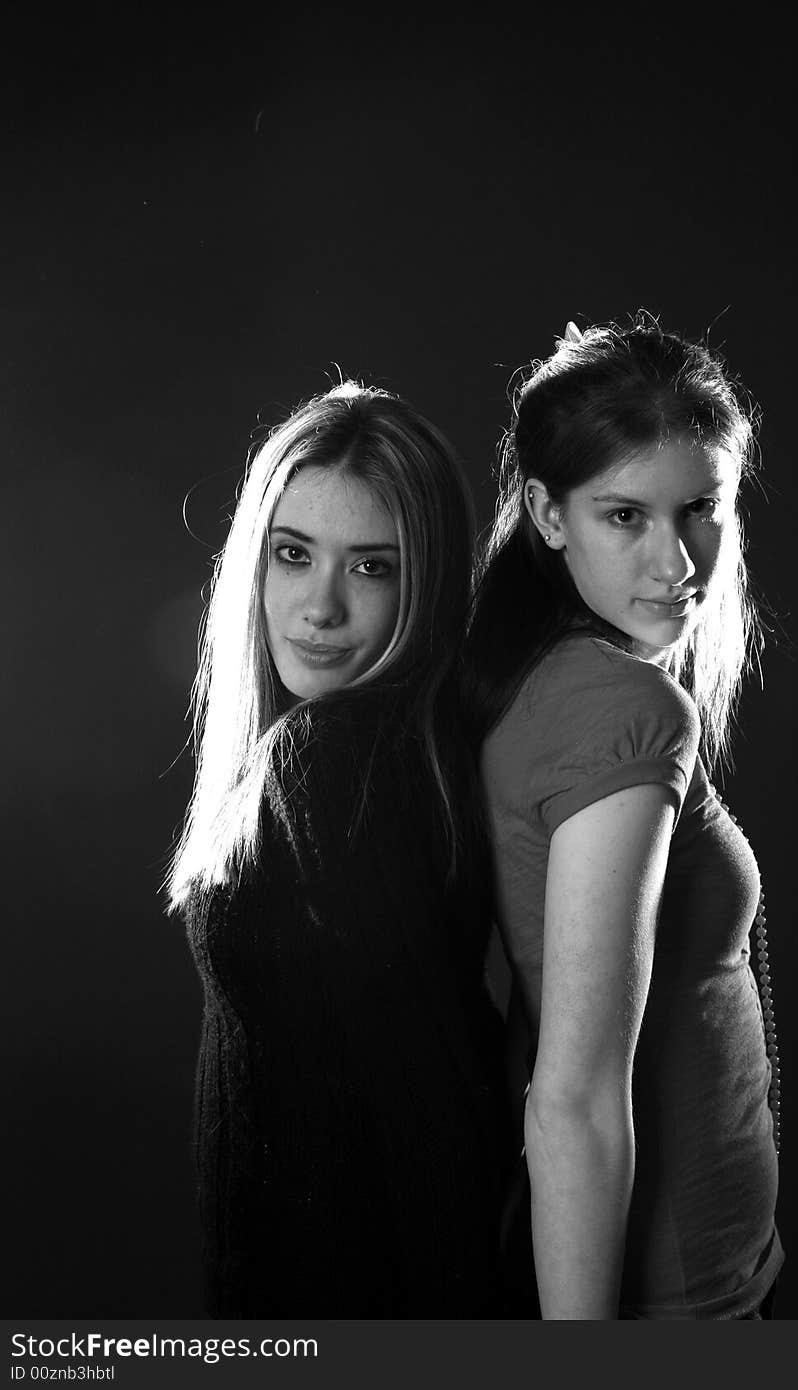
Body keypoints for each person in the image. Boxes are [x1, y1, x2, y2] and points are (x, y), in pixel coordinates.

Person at [167, 381, 511, 1317]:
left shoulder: (333, 757)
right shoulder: (390, 752)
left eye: (370, 568)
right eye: (293, 555)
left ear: (425, 585)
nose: (317, 608)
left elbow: (435, 1111)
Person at [464, 316, 783, 1319]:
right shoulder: (624, 709)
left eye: (699, 508)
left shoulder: (540, 673)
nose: (675, 560)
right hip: (680, 1299)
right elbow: (571, 1099)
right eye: (623, 517)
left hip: (709, 1270)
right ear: (546, 515)